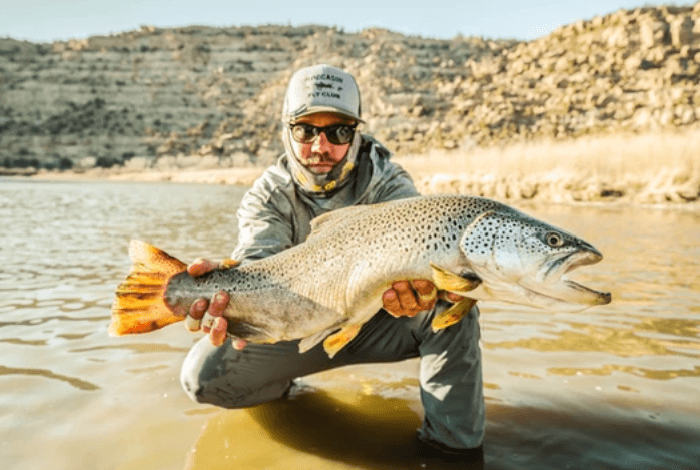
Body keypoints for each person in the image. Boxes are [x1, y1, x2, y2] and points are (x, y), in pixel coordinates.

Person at [179, 64, 485, 461]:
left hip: (380, 318)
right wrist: (224, 296)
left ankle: (453, 451)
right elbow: (258, 261)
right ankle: (285, 392)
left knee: (457, 302)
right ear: (286, 131)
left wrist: (421, 292)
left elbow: (424, 259)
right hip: (298, 320)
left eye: (338, 132)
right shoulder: (267, 196)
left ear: (355, 133)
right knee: (201, 378)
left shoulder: (388, 183)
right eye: (306, 130)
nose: (320, 147)